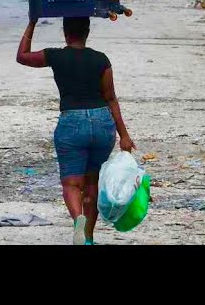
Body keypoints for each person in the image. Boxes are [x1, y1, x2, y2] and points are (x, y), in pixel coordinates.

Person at [16, 16, 135, 245]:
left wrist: (32, 23)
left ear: (65, 32)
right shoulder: (101, 60)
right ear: (87, 31)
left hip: (72, 122)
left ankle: (77, 219)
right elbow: (110, 98)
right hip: (102, 122)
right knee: (92, 183)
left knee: (72, 183)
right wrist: (124, 135)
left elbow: (22, 56)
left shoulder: (56, 55)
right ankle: (88, 238)